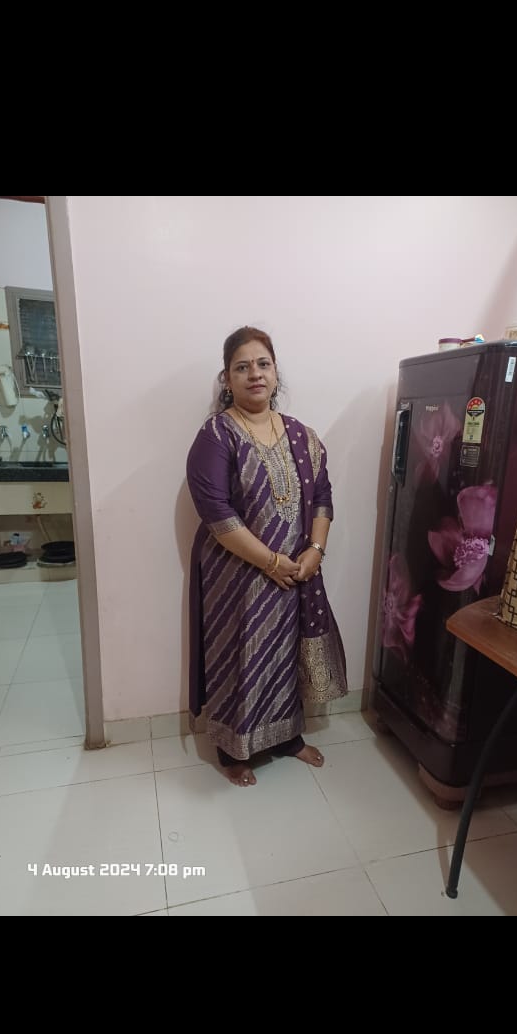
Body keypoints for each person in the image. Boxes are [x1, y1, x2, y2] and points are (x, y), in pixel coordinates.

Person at [186, 325, 347, 786]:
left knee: (284, 653)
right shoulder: (217, 434)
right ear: (227, 379)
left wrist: (315, 550)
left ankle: (286, 738)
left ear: (275, 372)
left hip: (296, 570)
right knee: (238, 653)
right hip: (235, 572)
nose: (254, 374)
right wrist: (269, 562)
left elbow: (323, 497)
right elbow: (215, 510)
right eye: (242, 367)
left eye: (263, 364)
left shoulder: (302, 435)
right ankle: (231, 748)